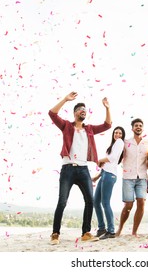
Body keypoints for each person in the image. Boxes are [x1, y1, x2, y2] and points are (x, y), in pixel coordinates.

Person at [48, 91, 112, 245]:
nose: (83, 110)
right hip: (68, 169)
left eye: (85, 109)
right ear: (75, 113)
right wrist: (65, 99)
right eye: (80, 109)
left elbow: (107, 125)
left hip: (83, 170)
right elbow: (52, 113)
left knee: (89, 200)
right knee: (62, 201)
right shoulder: (66, 126)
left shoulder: (89, 129)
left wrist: (107, 108)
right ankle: (55, 234)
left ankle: (86, 233)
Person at [115, 118, 148, 237]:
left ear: (142, 128)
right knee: (129, 205)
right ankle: (120, 228)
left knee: (141, 202)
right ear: (132, 128)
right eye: (136, 125)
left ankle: (134, 232)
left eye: (140, 125)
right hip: (128, 177)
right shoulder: (125, 142)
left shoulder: (147, 143)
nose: (138, 127)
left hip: (142, 177)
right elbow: (116, 155)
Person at [92, 126, 125, 240]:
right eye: (116, 133)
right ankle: (101, 228)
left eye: (120, 133)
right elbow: (108, 164)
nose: (117, 135)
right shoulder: (113, 145)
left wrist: (99, 160)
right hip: (105, 174)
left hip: (110, 176)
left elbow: (112, 158)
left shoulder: (120, 142)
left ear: (122, 136)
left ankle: (111, 231)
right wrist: (97, 176)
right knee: (96, 201)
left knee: (105, 202)